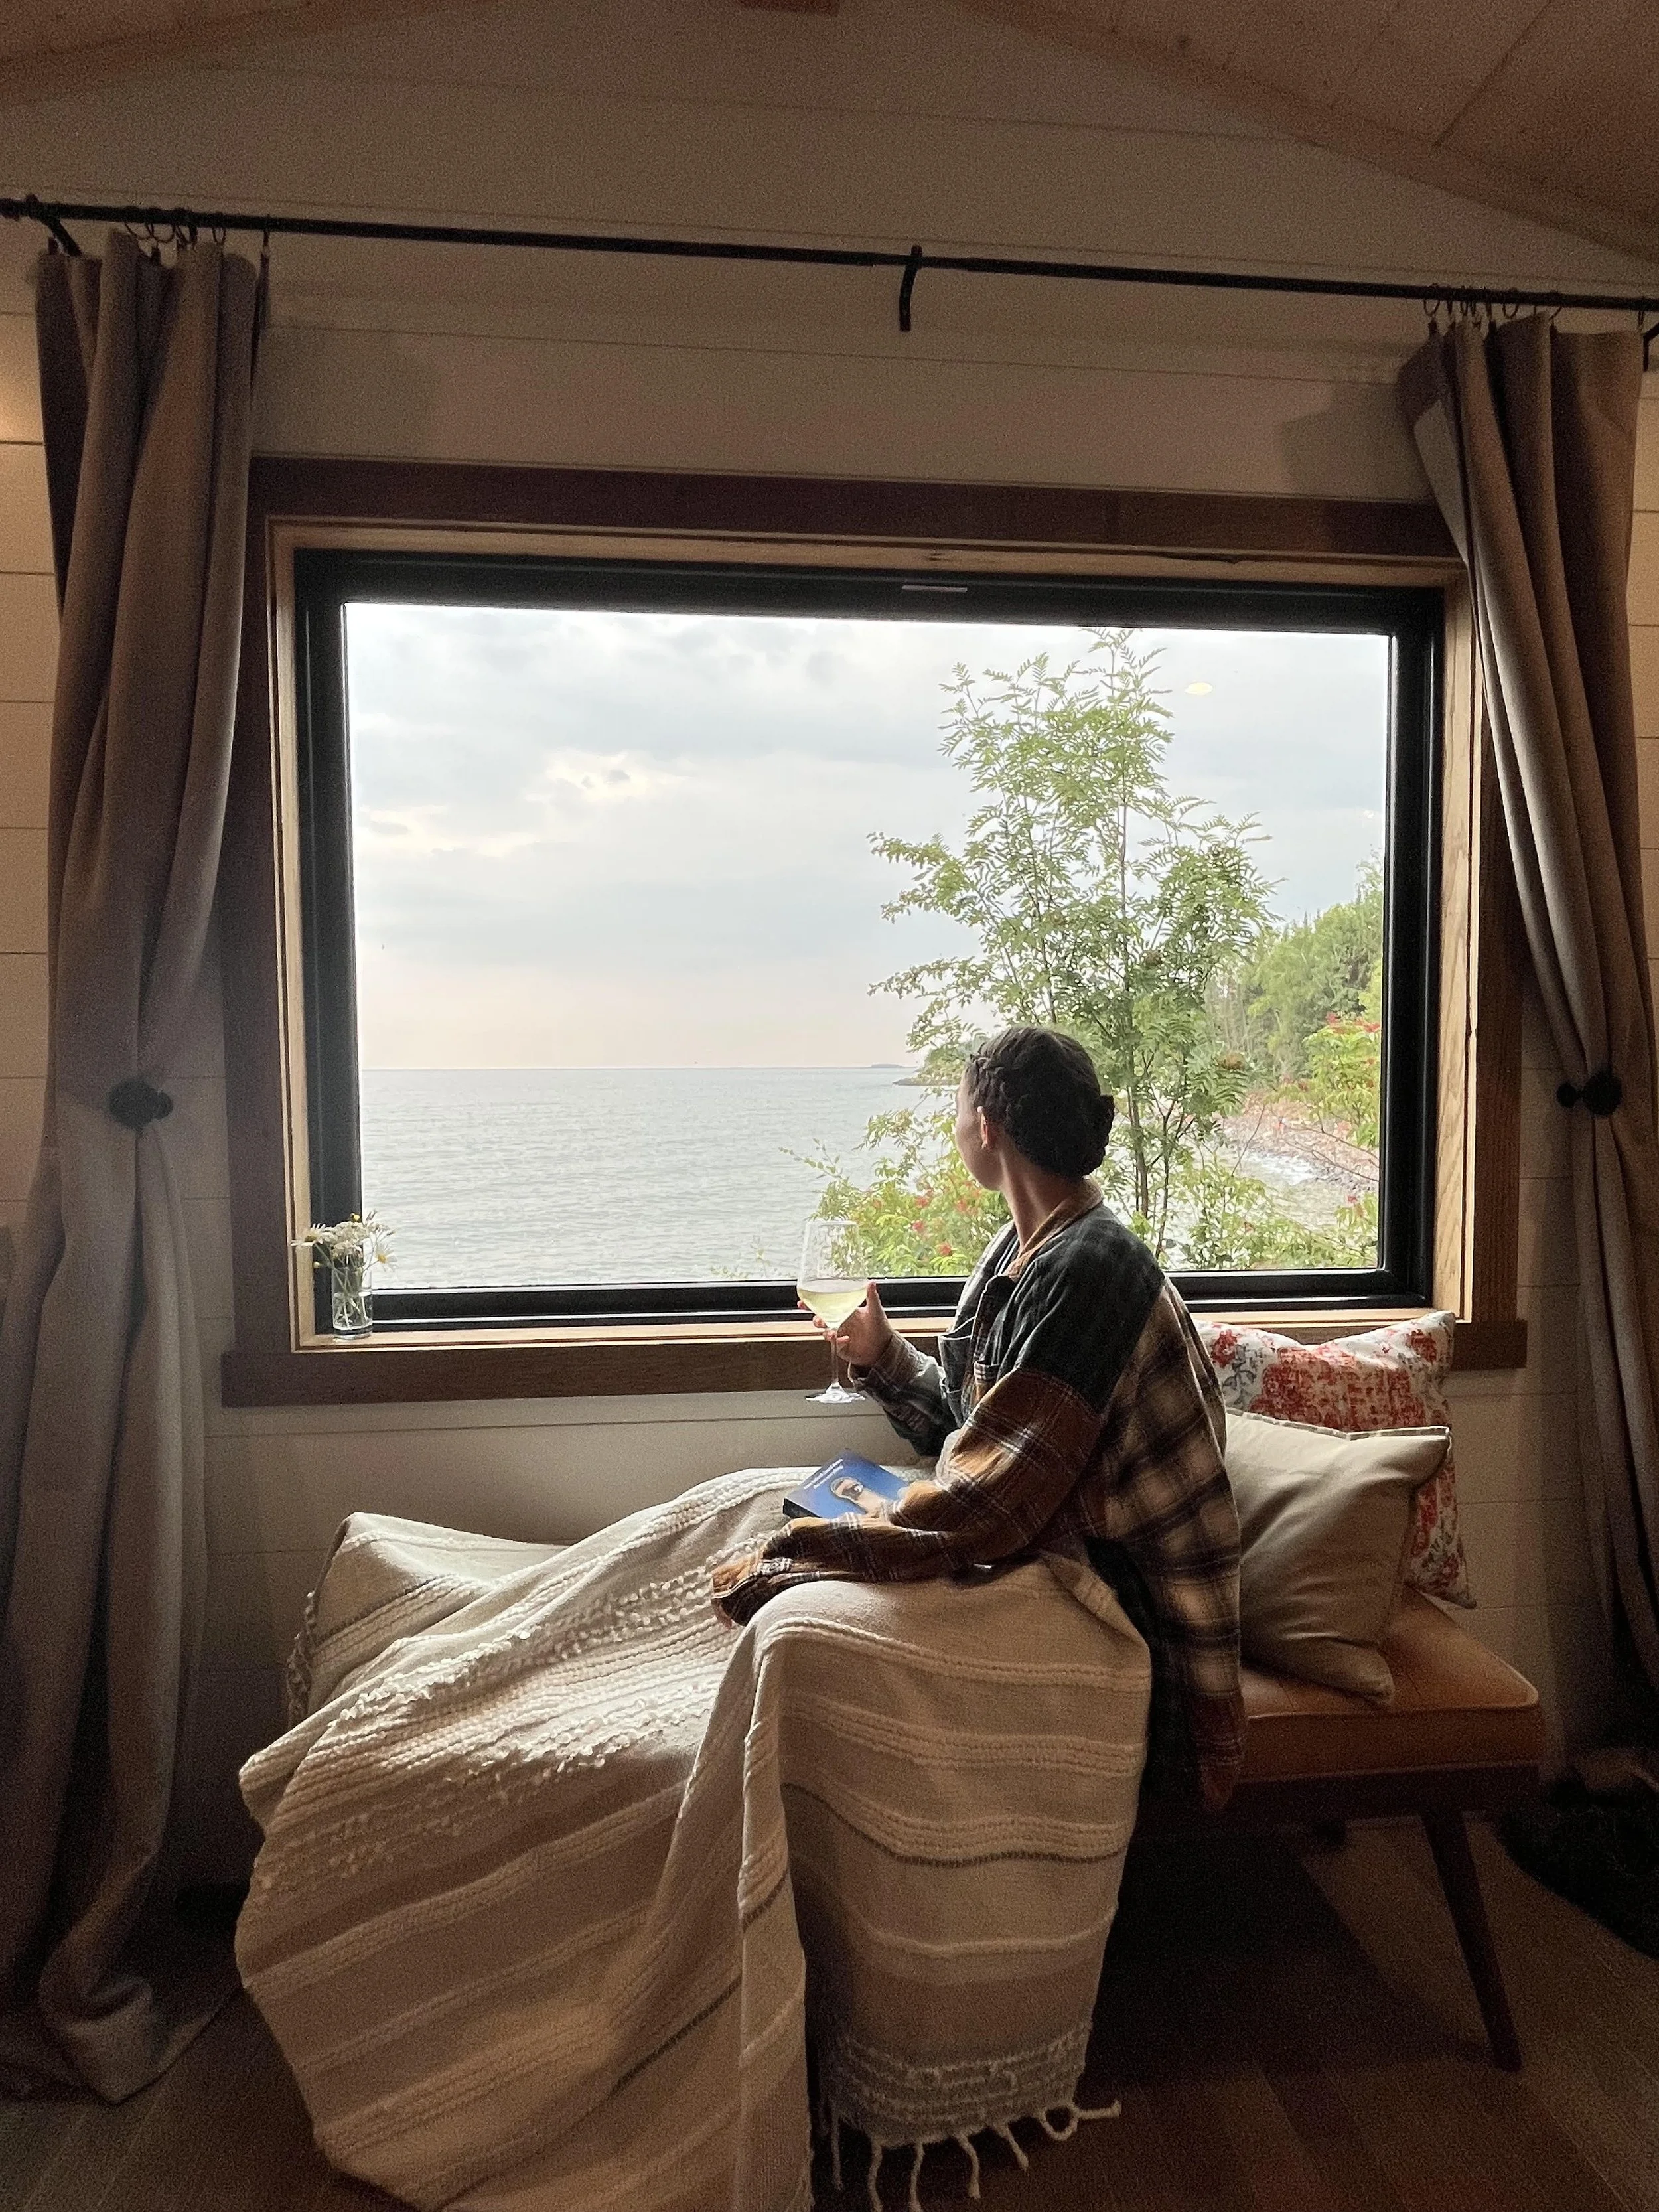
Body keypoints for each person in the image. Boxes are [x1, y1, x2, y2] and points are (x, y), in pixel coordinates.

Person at [713, 1025, 1244, 1812]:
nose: (955, 1125)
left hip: (1123, 1603)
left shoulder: (1089, 1273)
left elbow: (983, 1509)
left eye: (957, 1110)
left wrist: (790, 1553)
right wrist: (883, 1354)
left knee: (787, 1585)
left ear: (987, 1128)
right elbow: (976, 1428)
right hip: (1044, 1541)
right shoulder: (1026, 1248)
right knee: (748, 1497)